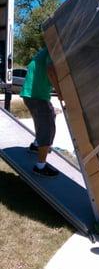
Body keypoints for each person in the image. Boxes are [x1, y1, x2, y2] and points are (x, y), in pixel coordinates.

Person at [20, 47, 62, 177]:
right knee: (47, 128)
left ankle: (36, 145)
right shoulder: (54, 48)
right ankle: (40, 166)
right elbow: (50, 70)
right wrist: (60, 92)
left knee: (50, 116)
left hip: (33, 94)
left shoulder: (47, 49)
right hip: (37, 96)